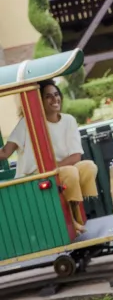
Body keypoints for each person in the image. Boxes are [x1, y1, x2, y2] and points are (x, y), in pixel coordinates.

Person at [0, 79, 98, 235]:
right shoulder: (27, 123)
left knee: (88, 166)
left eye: (56, 95)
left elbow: (76, 156)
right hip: (33, 177)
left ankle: (75, 214)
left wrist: (54, 168)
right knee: (70, 173)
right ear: (40, 101)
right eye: (48, 97)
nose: (55, 99)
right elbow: (5, 153)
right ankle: (71, 222)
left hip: (56, 171)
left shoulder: (68, 121)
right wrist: (54, 170)